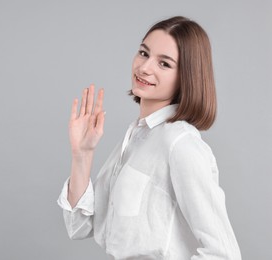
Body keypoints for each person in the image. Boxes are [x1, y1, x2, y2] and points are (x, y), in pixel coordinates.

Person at [57, 16, 241, 259]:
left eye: (164, 64)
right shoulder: (136, 136)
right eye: (144, 53)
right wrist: (82, 154)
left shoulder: (179, 143)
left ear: (187, 76)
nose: (144, 68)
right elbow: (80, 226)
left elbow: (224, 253)